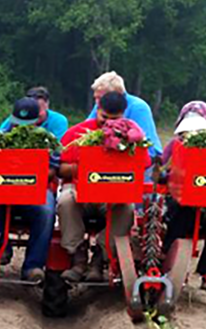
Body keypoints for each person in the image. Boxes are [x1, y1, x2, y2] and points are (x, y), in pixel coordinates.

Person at [56, 91, 146, 282]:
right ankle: (77, 256)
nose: (108, 124)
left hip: (112, 194)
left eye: (115, 119)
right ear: (97, 110)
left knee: (127, 208)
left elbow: (142, 164)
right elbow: (60, 168)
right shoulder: (77, 133)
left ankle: (100, 258)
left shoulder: (131, 138)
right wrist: (85, 167)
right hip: (80, 190)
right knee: (66, 200)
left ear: (124, 115)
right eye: (104, 117)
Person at [0, 96, 59, 282]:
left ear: (37, 120)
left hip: (34, 190)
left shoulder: (46, 140)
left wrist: (29, 172)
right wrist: (3, 172)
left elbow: (53, 171)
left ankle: (33, 265)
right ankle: (1, 247)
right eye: (17, 123)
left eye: (26, 124)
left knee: (46, 211)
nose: (20, 128)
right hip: (3, 188)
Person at [161, 101, 206, 292]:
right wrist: (167, 175)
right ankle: (167, 262)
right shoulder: (175, 145)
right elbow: (160, 165)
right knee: (178, 212)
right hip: (180, 198)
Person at [86, 72, 162, 163]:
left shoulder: (138, 108)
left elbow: (146, 147)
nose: (97, 103)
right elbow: (86, 129)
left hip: (144, 159)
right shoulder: (100, 105)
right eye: (96, 98)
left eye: (100, 98)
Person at [0, 86, 68, 138]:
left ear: (47, 104)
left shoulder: (58, 121)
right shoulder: (18, 118)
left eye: (38, 110)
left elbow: (59, 149)